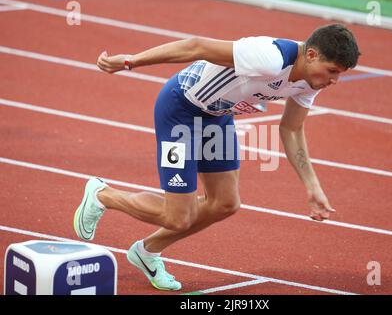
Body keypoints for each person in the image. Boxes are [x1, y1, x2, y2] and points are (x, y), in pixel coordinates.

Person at [73, 24, 360, 291]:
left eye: (339, 74)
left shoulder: (310, 81)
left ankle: (146, 251)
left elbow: (292, 129)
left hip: (216, 118)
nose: (334, 81)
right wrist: (130, 61)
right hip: (181, 111)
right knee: (178, 217)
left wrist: (312, 186)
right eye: (332, 71)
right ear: (310, 54)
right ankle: (103, 195)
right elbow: (195, 46)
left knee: (224, 203)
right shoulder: (269, 57)